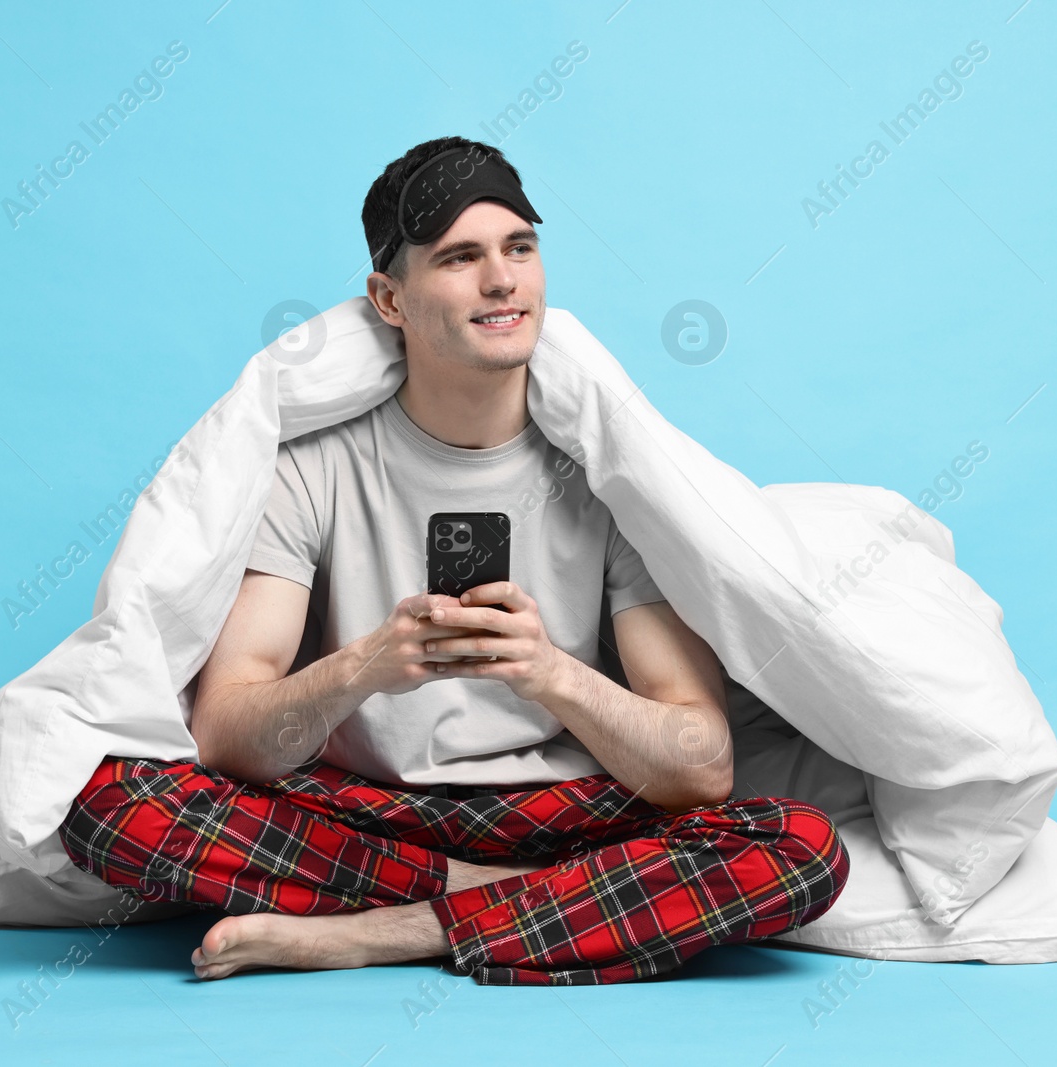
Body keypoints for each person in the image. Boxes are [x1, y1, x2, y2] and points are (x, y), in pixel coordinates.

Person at [58, 135, 848, 986]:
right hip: (364, 811)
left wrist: (550, 674)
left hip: (562, 813)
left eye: (520, 248)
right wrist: (364, 666)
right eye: (460, 258)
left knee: (798, 845)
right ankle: (518, 904)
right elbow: (226, 736)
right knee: (111, 802)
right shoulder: (311, 467)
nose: (503, 280)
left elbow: (701, 765)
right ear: (388, 299)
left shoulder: (607, 476)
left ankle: (381, 930)